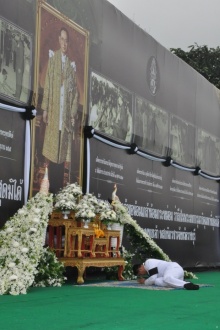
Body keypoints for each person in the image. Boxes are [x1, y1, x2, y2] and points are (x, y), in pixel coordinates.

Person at [41, 27, 78, 193]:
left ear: (68, 43)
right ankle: (49, 189)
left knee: (61, 154)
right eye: (62, 39)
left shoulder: (71, 67)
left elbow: (74, 93)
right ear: (58, 39)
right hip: (55, 113)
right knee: (52, 152)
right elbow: (48, 86)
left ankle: (57, 190)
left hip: (65, 117)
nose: (64, 43)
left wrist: (72, 114)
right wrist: (45, 108)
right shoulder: (53, 59)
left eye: (66, 40)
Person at [133, 258, 199, 290]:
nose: (142, 274)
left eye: (140, 273)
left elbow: (152, 278)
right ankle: (182, 282)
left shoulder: (148, 263)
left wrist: (145, 282)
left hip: (174, 268)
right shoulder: (149, 270)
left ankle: (186, 285)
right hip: (175, 277)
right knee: (157, 281)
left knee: (166, 278)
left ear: (140, 268)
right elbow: (154, 279)